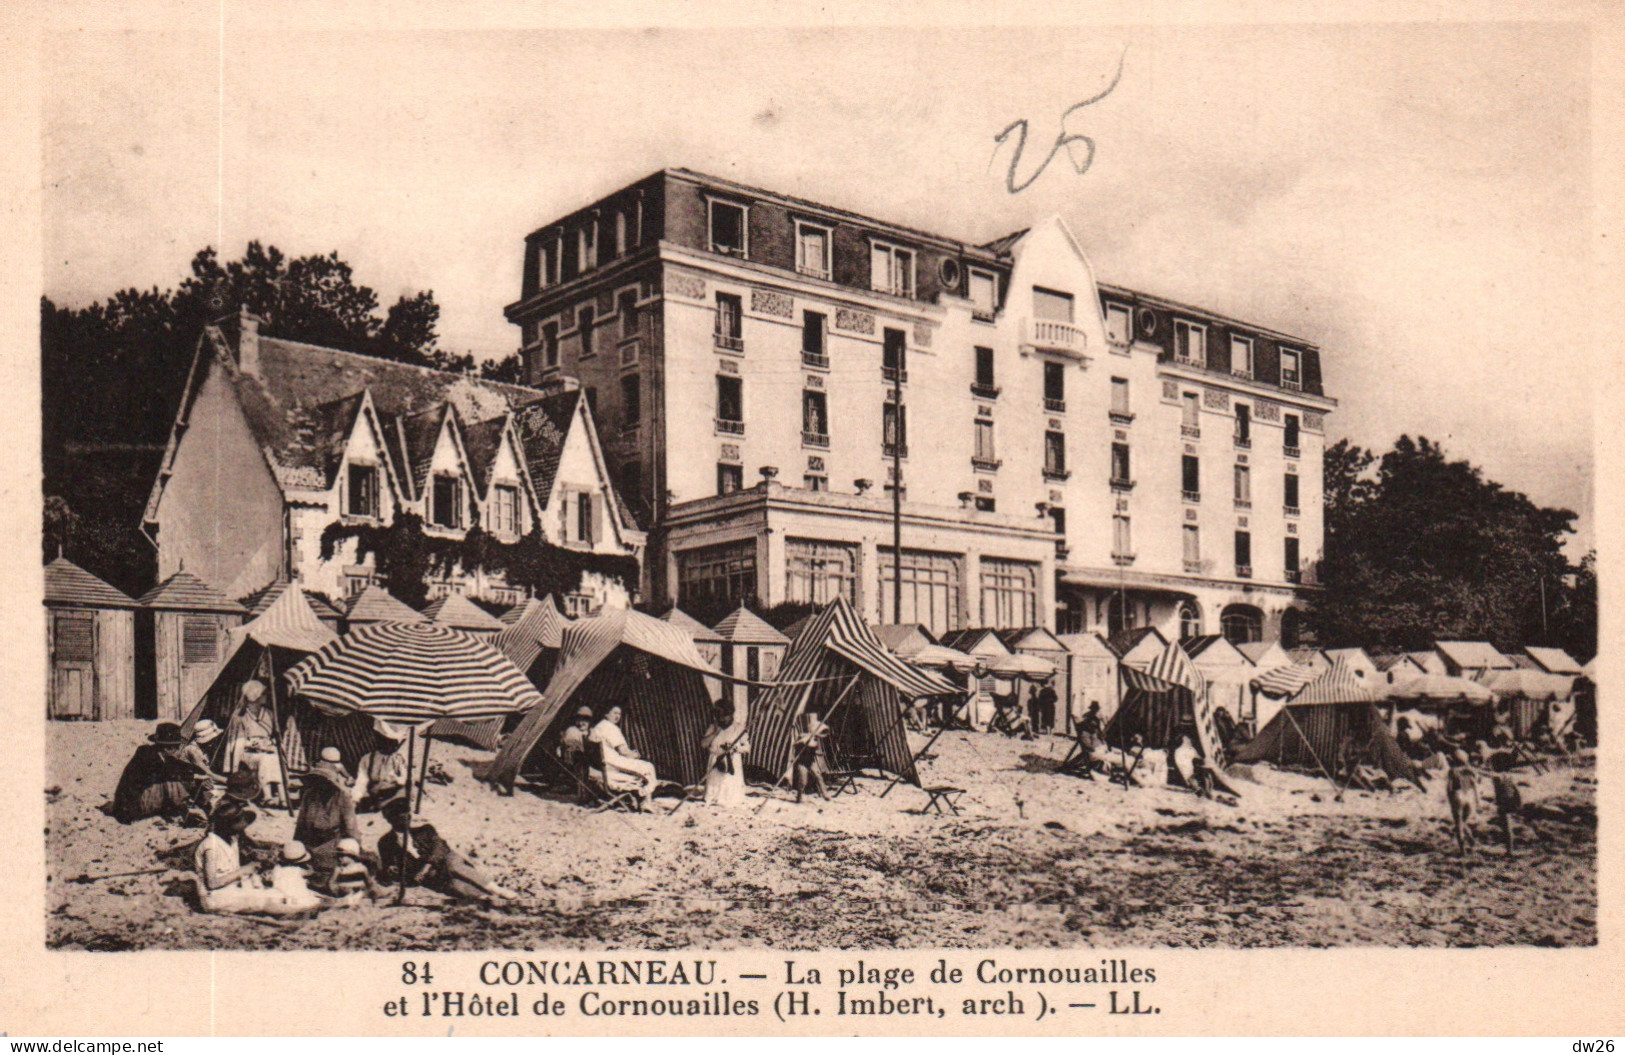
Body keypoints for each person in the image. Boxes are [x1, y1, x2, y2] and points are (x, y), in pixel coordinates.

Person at [377, 797, 516, 902]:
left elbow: (440, 849)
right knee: (456, 887)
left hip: (445, 861)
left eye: (408, 814)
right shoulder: (386, 842)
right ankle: (487, 899)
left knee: (454, 866)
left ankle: (496, 889)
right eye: (402, 816)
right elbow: (387, 868)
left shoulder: (425, 830)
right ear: (391, 820)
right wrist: (391, 870)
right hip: (432, 876)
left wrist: (426, 867)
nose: (407, 818)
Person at [111, 722, 219, 824]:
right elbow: (167, 771)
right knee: (172, 783)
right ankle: (183, 813)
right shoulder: (147, 755)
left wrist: (201, 773)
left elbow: (182, 766)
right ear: (167, 748)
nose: (177, 749)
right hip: (131, 806)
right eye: (176, 746)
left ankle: (203, 809)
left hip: (140, 799)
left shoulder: (161, 755)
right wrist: (195, 777)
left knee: (181, 779)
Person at [294, 746, 361, 879]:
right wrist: (296, 850)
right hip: (309, 848)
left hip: (332, 849)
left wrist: (352, 855)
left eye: (324, 781)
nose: (321, 785)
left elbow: (351, 830)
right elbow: (300, 827)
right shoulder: (309, 795)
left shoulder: (342, 798)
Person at [222, 681, 284, 804]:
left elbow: (274, 735)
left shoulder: (269, 713)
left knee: (276, 758)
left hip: (266, 750)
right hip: (247, 752)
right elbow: (237, 741)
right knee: (265, 760)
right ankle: (268, 796)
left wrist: (270, 743)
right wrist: (252, 744)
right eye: (263, 694)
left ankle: (283, 797)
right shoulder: (240, 715)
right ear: (255, 696)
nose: (266, 697)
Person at [590, 705, 658, 810]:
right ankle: (645, 800)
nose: (617, 716)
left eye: (619, 714)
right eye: (614, 713)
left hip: (602, 764)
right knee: (648, 766)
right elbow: (623, 751)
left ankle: (640, 797)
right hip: (612, 763)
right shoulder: (610, 727)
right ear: (606, 714)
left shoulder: (597, 727)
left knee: (640, 768)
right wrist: (635, 755)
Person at [1477, 743, 1524, 855]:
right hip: (1510, 800)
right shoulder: (1508, 776)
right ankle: (1509, 848)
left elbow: (1488, 774)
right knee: (1506, 825)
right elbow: (1515, 789)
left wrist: (1475, 770)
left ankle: (1509, 850)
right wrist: (1519, 799)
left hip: (1504, 803)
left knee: (1506, 826)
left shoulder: (1498, 776)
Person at [701, 701, 750, 808]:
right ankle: (712, 797)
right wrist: (715, 733)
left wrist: (735, 748)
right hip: (715, 761)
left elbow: (747, 748)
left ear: (730, 715)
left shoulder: (738, 728)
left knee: (730, 796)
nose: (721, 719)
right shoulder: (714, 727)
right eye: (719, 716)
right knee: (714, 794)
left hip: (732, 761)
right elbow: (703, 744)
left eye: (724, 716)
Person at [353, 730, 408, 813]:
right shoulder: (368, 759)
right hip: (376, 795)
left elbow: (405, 779)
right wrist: (356, 798)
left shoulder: (399, 758)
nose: (392, 746)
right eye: (388, 742)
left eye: (394, 743)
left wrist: (395, 778)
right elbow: (361, 781)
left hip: (395, 795)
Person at [265, 841, 326, 914]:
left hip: (280, 895)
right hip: (296, 897)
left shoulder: (277, 868)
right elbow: (310, 872)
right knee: (315, 898)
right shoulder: (298, 870)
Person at [1444, 749, 1481, 855]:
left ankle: (1462, 850)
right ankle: (1470, 838)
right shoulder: (1470, 771)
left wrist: (1450, 798)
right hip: (1468, 795)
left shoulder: (1452, 771)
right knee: (1463, 821)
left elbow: (1449, 787)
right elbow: (1475, 786)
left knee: (1458, 823)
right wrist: (1477, 802)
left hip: (1457, 794)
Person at [791, 709, 829, 804]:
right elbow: (795, 745)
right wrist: (804, 742)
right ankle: (799, 796)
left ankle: (825, 793)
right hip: (802, 762)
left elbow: (815, 749)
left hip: (811, 761)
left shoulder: (816, 739)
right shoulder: (803, 736)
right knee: (803, 780)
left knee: (818, 776)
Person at [1171, 734, 1212, 799]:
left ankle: (1202, 790)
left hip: (1188, 768)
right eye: (1188, 740)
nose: (1190, 741)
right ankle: (1203, 791)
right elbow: (1198, 757)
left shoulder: (1187, 749)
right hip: (1187, 768)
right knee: (1192, 777)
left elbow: (1197, 757)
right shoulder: (1186, 749)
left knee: (1192, 777)